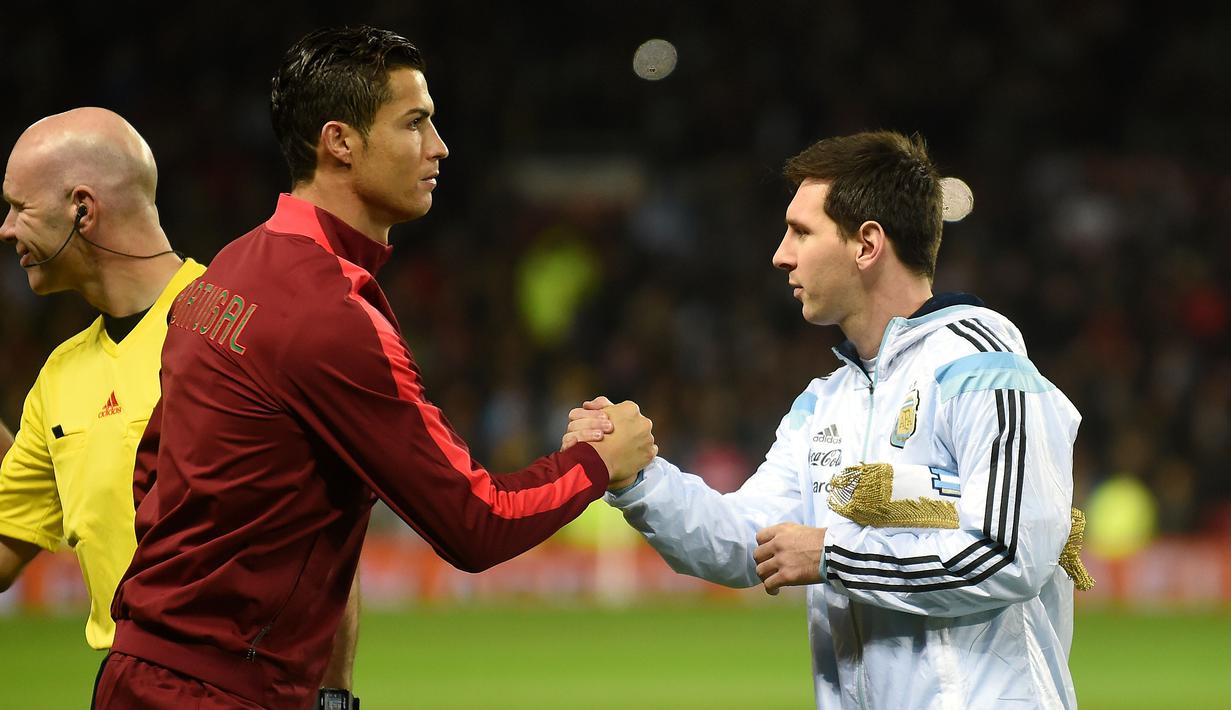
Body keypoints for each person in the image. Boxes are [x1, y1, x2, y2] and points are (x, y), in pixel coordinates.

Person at [96, 26, 654, 710]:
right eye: (415, 123)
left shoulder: (221, 275)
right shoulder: (328, 314)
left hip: (142, 671)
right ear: (340, 143)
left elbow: (154, 474)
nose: (439, 146)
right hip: (222, 691)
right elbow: (475, 523)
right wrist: (599, 462)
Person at [569, 131, 1082, 708]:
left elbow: (1009, 555)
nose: (780, 253)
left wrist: (834, 556)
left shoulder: (984, 368)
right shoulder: (825, 402)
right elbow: (750, 541)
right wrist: (639, 479)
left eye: (801, 232)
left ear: (867, 245)